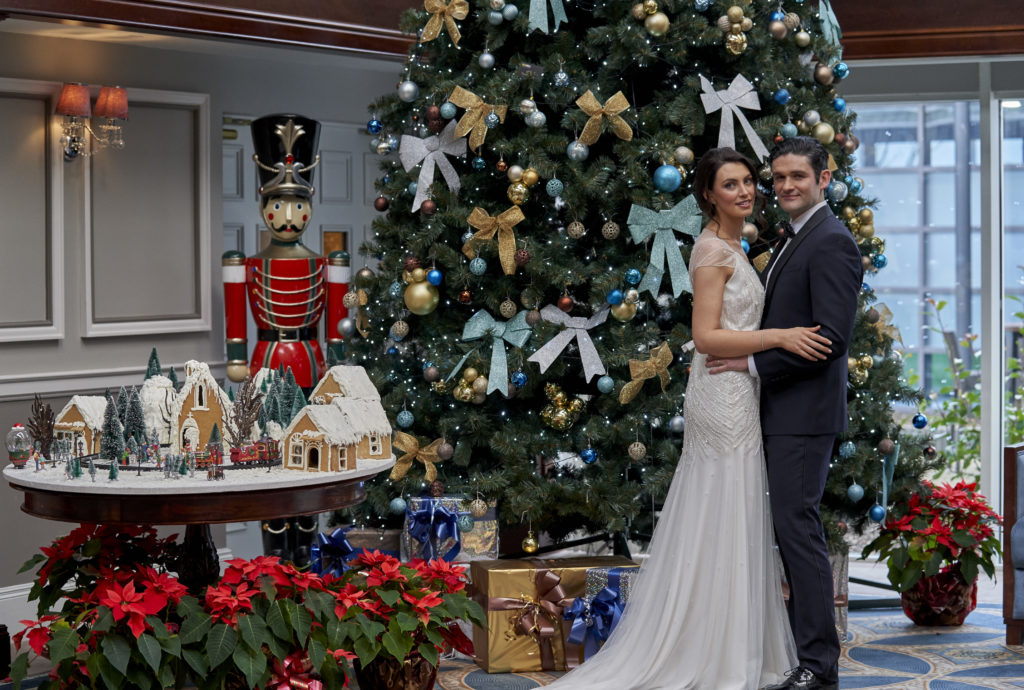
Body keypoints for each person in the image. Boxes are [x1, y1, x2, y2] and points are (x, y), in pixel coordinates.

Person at [544, 147, 833, 690]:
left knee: (738, 513)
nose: (746, 192)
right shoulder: (711, 251)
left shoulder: (736, 245)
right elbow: (704, 337)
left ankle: (734, 643)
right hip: (723, 395)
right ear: (708, 194)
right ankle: (712, 650)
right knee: (723, 508)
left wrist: (762, 350)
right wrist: (777, 337)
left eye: (750, 181)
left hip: (743, 390)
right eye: (731, 185)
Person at [707, 137, 863, 690]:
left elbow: (830, 338)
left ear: (824, 177)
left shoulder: (831, 242)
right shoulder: (794, 236)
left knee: (798, 533)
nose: (786, 186)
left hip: (803, 413)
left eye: (798, 175)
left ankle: (819, 668)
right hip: (782, 410)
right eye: (778, 177)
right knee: (792, 531)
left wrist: (751, 364)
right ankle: (805, 656)